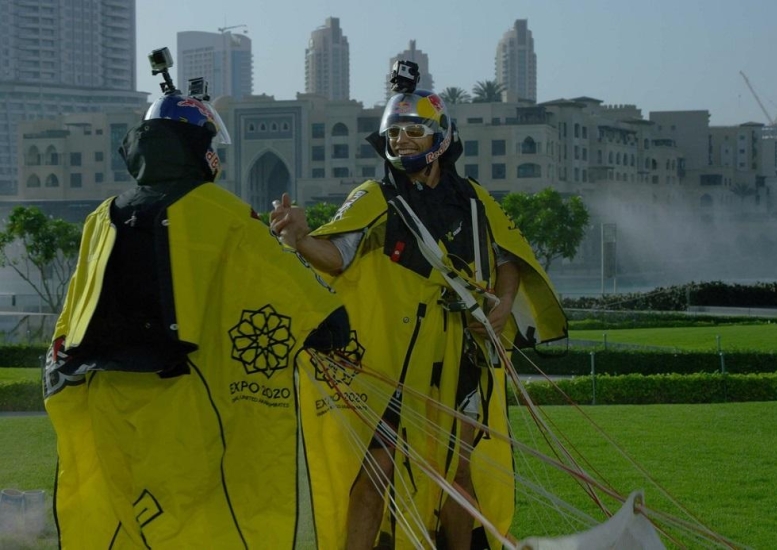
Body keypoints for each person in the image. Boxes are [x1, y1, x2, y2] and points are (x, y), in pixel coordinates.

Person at [43, 50, 348, 549]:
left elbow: (71, 314)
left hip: (105, 400)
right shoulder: (222, 212)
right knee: (198, 524)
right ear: (195, 146)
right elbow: (293, 290)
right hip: (184, 400)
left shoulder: (104, 215)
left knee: (128, 524)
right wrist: (332, 326)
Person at [272, 61, 567, 550]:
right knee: (377, 467)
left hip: (465, 359)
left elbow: (507, 256)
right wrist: (300, 237)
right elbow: (337, 257)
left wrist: (505, 301)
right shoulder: (374, 196)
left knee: (460, 473)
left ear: (441, 139)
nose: (402, 141)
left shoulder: (474, 200)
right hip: (396, 362)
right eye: (394, 133)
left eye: (414, 131)